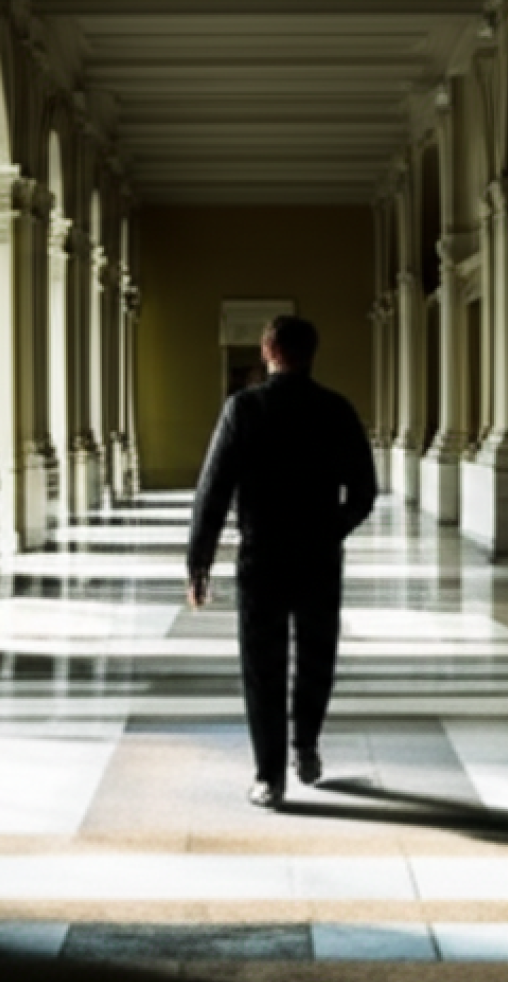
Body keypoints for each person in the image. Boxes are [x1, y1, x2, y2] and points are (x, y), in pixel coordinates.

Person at [185, 314, 378, 810]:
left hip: (262, 557)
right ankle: (306, 748)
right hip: (318, 558)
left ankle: (270, 776)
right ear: (312, 353)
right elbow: (364, 490)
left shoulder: (243, 409)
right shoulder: (336, 410)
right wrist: (331, 528)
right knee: (316, 658)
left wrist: (199, 563)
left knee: (263, 667)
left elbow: (213, 492)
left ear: (268, 351)